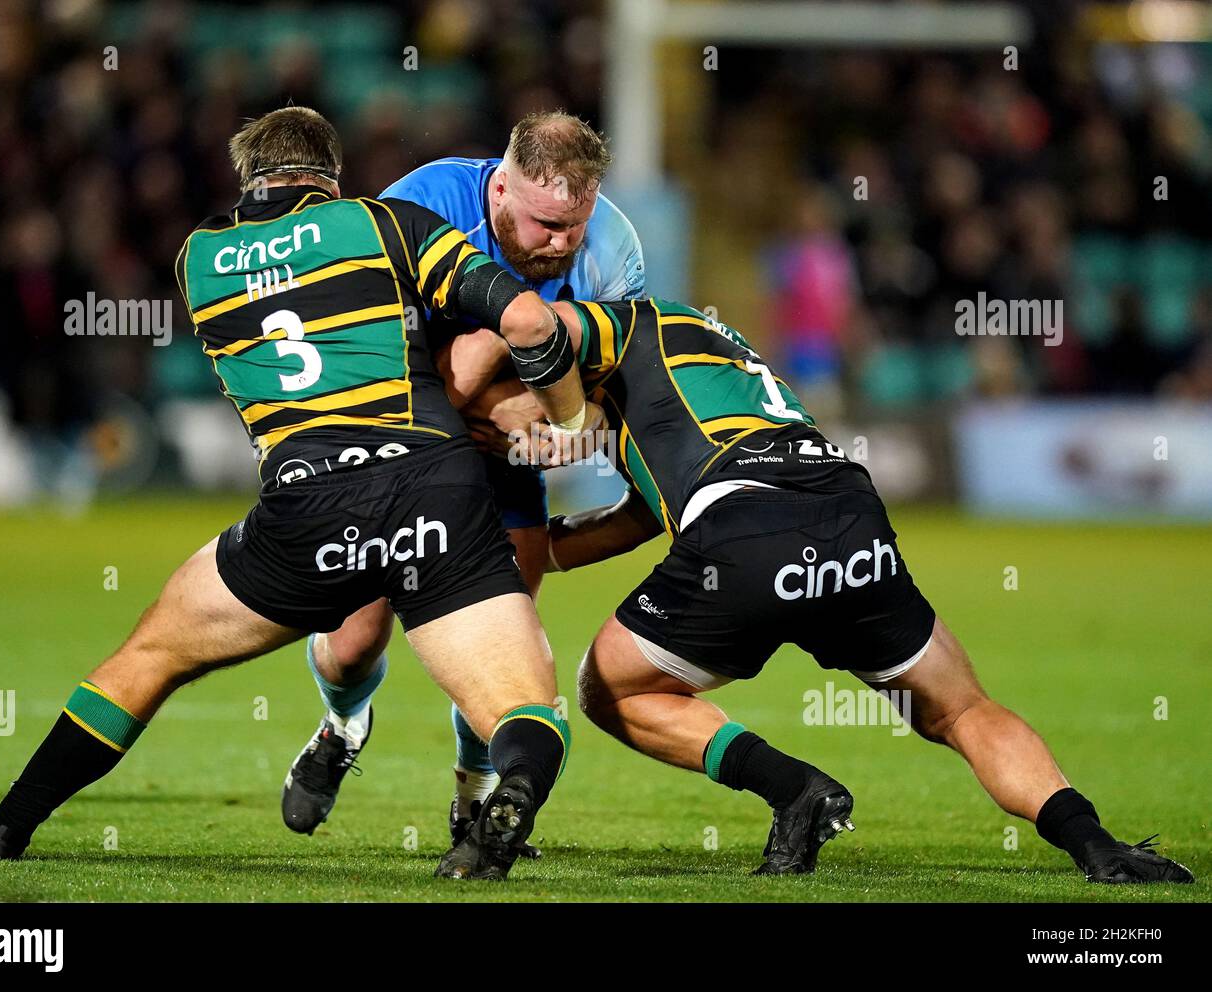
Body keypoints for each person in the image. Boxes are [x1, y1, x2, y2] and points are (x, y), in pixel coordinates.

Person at [0, 106, 594, 882]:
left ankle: (2, 832)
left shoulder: (199, 257)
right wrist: (569, 423)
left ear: (249, 175)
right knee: (527, 710)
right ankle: (508, 793)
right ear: (331, 177)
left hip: (305, 507)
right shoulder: (387, 223)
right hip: (436, 491)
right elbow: (528, 321)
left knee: (147, 659)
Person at [501, 295, 1193, 884]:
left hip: (747, 525)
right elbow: (632, 521)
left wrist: (555, 420)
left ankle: (791, 788)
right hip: (844, 512)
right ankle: (1094, 844)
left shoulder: (627, 323)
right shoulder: (707, 371)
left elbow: (538, 323)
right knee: (958, 709)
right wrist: (534, 548)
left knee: (610, 688)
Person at [280, 112, 646, 853]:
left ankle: (472, 801)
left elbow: (616, 380)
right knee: (352, 643)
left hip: (499, 463)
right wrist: (493, 403)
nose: (562, 243)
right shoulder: (416, 208)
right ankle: (343, 723)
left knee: (499, 651)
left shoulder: (613, 249)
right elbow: (373, 358)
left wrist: (562, 428)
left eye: (575, 225)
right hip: (398, 440)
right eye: (545, 224)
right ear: (502, 186)